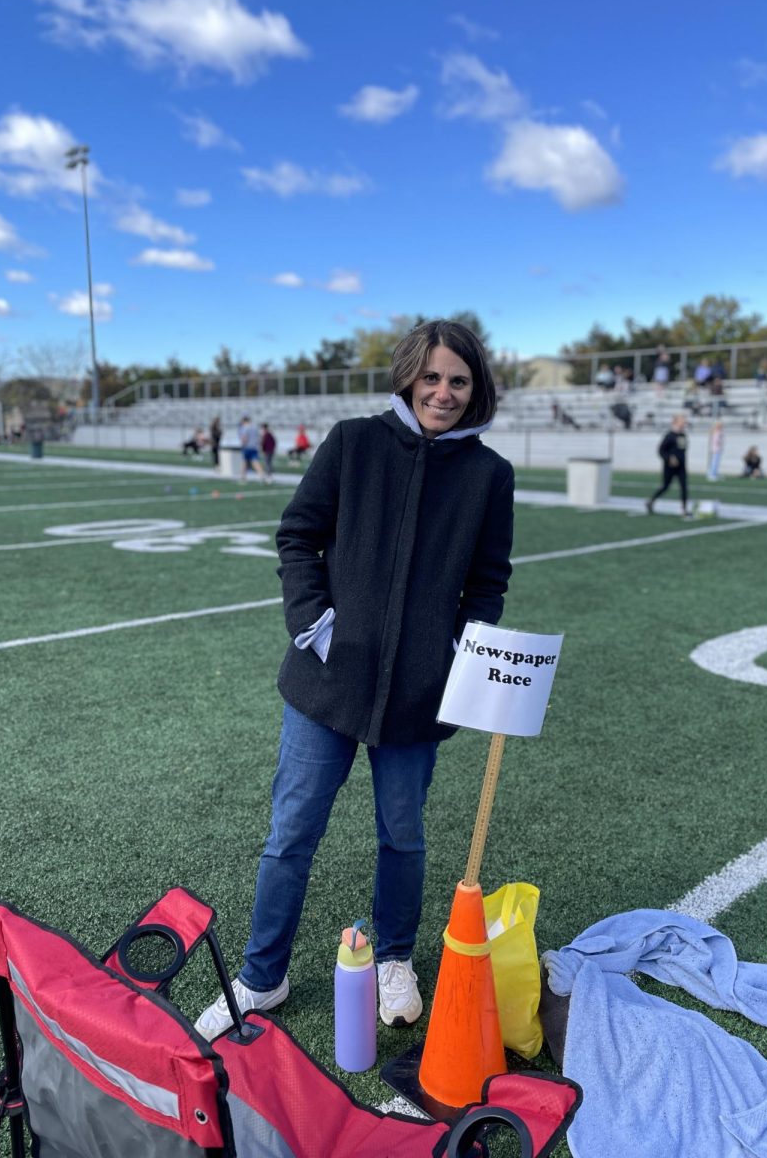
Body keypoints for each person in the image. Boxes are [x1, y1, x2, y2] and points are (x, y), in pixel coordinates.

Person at [195, 319, 514, 1038]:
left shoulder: (490, 475)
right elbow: (297, 535)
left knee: (403, 834)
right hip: (326, 684)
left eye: (458, 381)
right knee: (292, 832)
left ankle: (396, 956)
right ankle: (261, 975)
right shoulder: (353, 441)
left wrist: (459, 650)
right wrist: (316, 623)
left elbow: (489, 581)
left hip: (419, 695)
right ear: (408, 376)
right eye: (431, 377)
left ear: (475, 388)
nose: (443, 392)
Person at [645, 414, 692, 518]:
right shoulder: (669, 436)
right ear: (676, 422)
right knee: (665, 486)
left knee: (684, 487)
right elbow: (661, 450)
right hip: (669, 467)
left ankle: (684, 509)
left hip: (681, 467)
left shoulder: (683, 435)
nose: (684, 423)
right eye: (682, 421)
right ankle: (651, 501)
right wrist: (669, 458)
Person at [238, 415, 267, 481]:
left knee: (244, 462)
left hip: (247, 447)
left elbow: (244, 437)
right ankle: (261, 475)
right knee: (255, 461)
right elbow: (259, 437)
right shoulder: (255, 427)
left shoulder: (245, 428)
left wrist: (242, 444)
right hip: (254, 447)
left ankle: (243, 476)